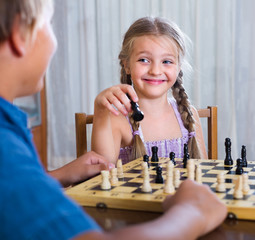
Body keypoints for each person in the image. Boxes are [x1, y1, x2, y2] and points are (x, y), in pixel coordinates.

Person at [0, 0, 227, 239]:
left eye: (167, 61)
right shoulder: (6, 143)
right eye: (48, 24)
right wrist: (191, 212)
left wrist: (56, 175)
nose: (155, 70)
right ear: (18, 35)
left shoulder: (11, 130)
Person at [92, 17, 208, 165]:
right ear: (126, 65)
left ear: (179, 67)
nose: (155, 71)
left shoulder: (190, 116)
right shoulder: (116, 121)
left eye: (167, 61)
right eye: (144, 60)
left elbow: (203, 174)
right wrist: (100, 110)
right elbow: (101, 175)